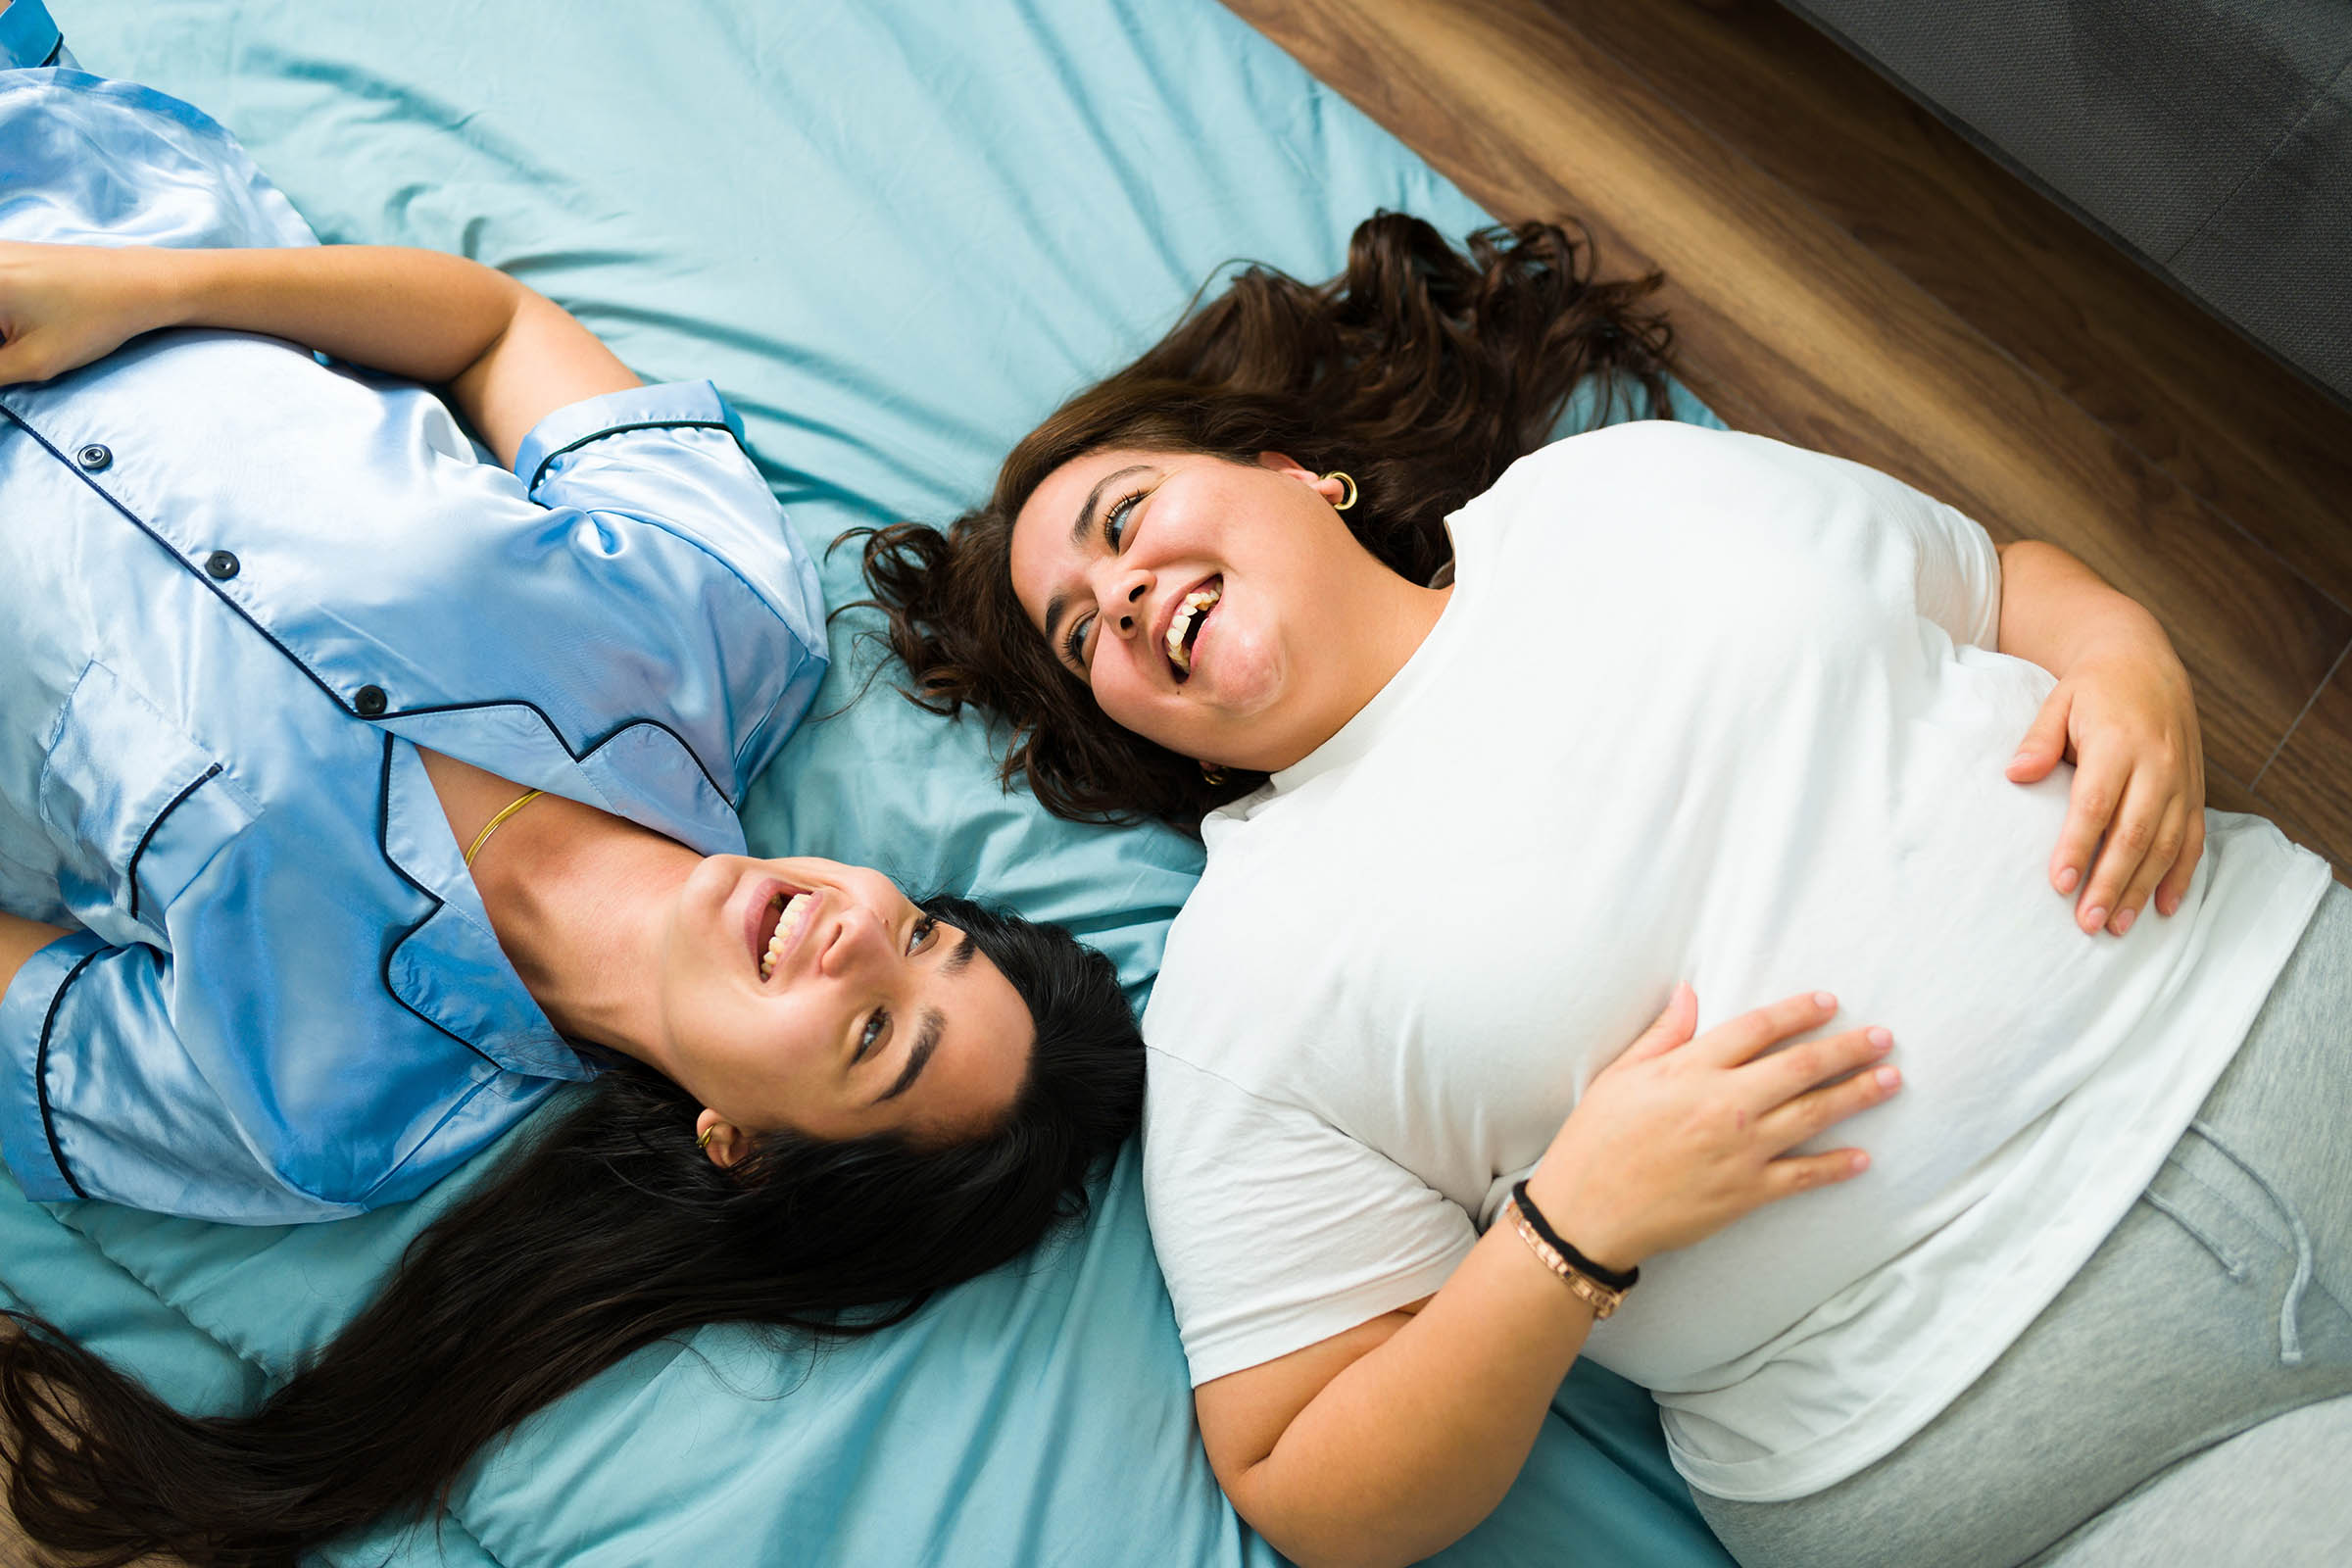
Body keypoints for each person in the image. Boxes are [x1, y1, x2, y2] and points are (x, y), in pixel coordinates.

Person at [860, 209, 2352, 1566]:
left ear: (1294, 473)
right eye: (1081, 636)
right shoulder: (1242, 984)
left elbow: (2002, 586)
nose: (1119, 598)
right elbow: (1302, 1482)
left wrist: (2124, 653)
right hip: (1987, 1428)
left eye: (1125, 522)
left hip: (2288, 1016)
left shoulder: (1616, 492)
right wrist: (1566, 1233)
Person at [0, 63, 1141, 1564]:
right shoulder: (723, 623)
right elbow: (490, 325)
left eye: (873, 1038)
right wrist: (131, 293)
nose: (859, 933)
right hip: (58, 198)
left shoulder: (303, 1111)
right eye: (927, 932)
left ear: (742, 1147)